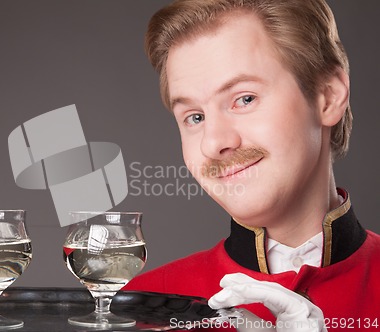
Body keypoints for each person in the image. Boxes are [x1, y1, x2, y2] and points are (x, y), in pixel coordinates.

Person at [124, 0, 380, 331]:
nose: (213, 143)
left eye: (244, 99)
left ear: (327, 97)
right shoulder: (137, 312)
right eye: (195, 117)